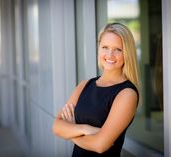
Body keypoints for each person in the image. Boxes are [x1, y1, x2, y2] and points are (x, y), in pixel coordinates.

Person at [52, 23, 140, 157]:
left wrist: (71, 130)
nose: (110, 55)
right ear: (99, 48)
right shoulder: (84, 85)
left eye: (118, 49)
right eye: (105, 47)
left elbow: (100, 146)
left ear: (127, 53)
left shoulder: (127, 94)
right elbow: (56, 126)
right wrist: (84, 129)